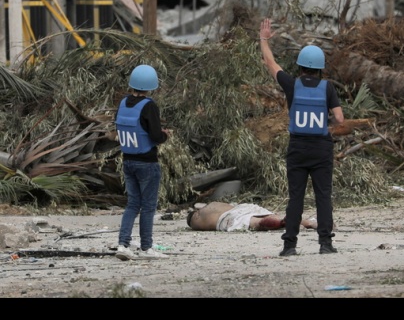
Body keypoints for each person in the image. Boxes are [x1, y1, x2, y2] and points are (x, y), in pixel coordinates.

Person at [259, 18, 345, 256]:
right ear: (320, 68)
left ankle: (289, 246)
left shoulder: (292, 84)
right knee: (323, 197)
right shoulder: (327, 88)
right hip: (321, 149)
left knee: (295, 197)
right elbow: (339, 119)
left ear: (300, 66)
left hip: (297, 149)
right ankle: (326, 244)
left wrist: (264, 39)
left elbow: (270, 62)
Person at [115, 64, 170, 260]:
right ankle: (146, 248)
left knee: (132, 205)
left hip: (128, 161)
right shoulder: (149, 106)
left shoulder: (122, 104)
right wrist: (165, 135)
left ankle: (122, 245)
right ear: (150, 86)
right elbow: (155, 136)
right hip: (147, 162)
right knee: (148, 206)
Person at [186, 202, 318, 232]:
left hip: (228, 217)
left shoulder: (194, 220)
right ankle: (312, 222)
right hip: (242, 206)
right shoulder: (213, 204)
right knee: (266, 214)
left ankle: (283, 223)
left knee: (256, 222)